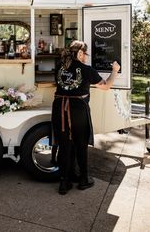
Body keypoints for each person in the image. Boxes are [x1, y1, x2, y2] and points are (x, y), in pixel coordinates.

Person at [51, 40, 120, 195]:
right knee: (80, 143)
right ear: (80, 53)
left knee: (65, 145)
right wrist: (115, 71)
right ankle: (83, 179)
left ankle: (65, 182)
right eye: (86, 53)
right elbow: (106, 86)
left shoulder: (60, 68)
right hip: (77, 109)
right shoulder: (86, 69)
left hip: (59, 107)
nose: (87, 57)